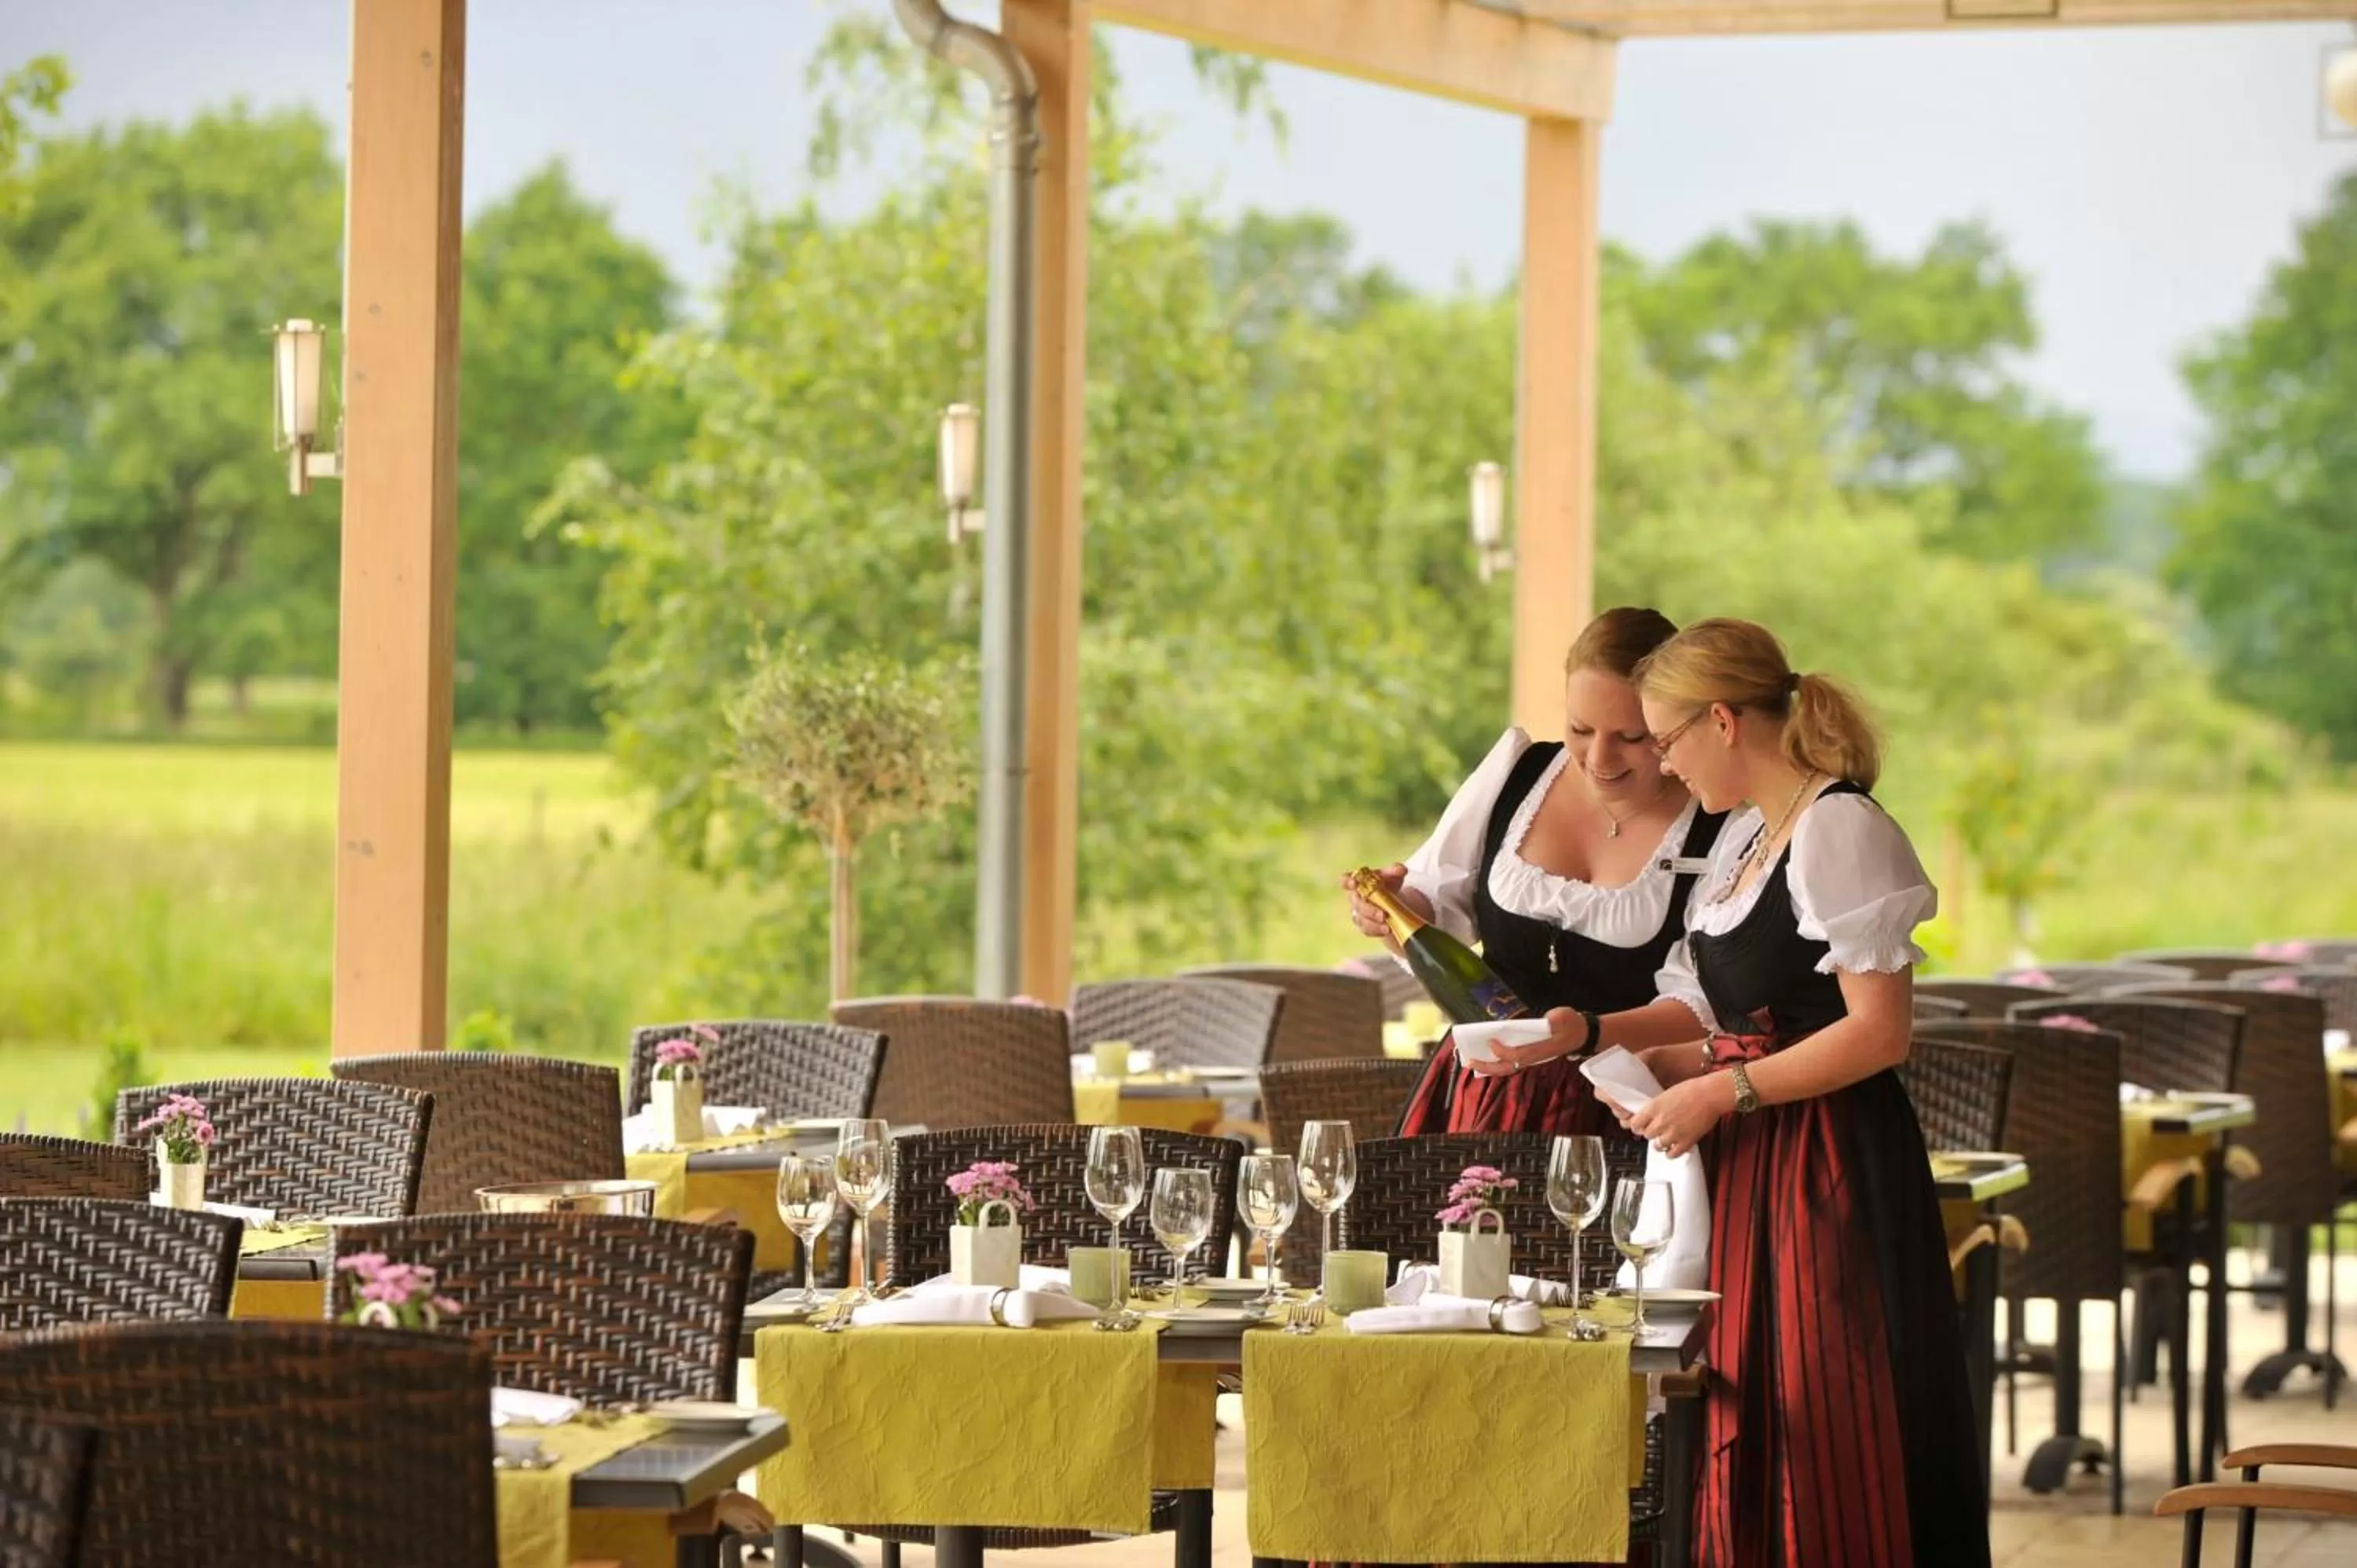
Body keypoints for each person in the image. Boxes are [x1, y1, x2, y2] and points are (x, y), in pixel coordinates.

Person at [1468, 617, 1989, 1568]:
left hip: (1825, 1165)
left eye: (1663, 738)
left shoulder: (1839, 826)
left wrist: (1723, 1092)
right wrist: (1584, 1034)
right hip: (1754, 1156)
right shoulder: (1753, 834)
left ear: (1720, 720)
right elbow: (1706, 1000)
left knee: (1820, 1404)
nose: (1660, 764)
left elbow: (1879, 1032)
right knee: (1742, 1395)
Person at [1343, 606, 1725, 1137]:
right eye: (1580, 728)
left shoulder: (1719, 823)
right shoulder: (1517, 773)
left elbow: (1710, 1007)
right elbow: (1437, 915)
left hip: (1632, 1108)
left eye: (1633, 737)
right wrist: (1389, 909)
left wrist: (1586, 1033)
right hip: (1484, 1101)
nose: (1600, 757)